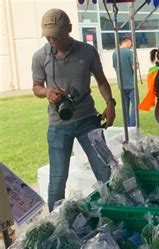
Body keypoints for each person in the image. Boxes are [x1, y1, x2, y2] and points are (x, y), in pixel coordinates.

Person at [32, 9, 115, 211]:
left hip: (88, 120)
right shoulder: (40, 56)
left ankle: (115, 212)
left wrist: (110, 104)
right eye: (48, 36)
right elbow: (36, 87)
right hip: (58, 125)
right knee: (57, 180)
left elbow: (102, 82)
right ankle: (56, 222)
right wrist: (47, 92)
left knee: (105, 171)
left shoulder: (87, 51)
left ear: (69, 29)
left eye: (56, 36)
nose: (52, 40)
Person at [112, 37, 136, 127]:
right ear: (127, 41)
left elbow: (115, 67)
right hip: (131, 84)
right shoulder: (130, 53)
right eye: (131, 43)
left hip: (121, 84)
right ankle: (132, 124)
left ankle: (126, 124)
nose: (131, 45)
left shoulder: (115, 53)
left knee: (125, 105)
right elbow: (134, 67)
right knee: (134, 105)